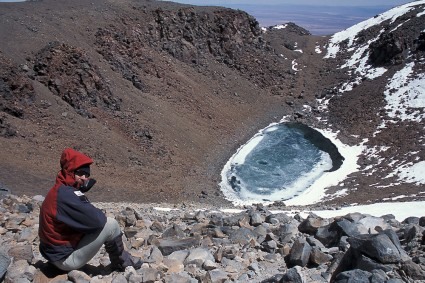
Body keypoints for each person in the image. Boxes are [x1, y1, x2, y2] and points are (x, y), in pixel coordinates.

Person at [38, 148, 142, 271]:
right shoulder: (67, 194)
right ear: (70, 172)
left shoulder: (60, 190)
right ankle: (121, 262)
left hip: (53, 255)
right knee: (111, 225)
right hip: (64, 260)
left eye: (86, 175)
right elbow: (97, 221)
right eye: (80, 173)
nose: (84, 178)